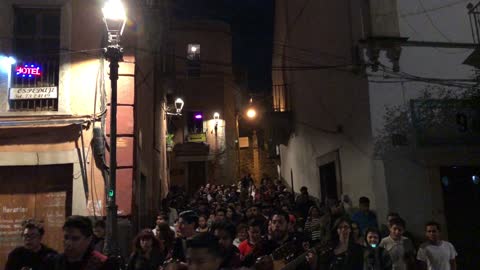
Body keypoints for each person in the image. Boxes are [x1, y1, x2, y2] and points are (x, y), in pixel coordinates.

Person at [48, 215, 115, 270]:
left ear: (88, 239)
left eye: (75, 239)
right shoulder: (54, 262)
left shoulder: (101, 264)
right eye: (66, 237)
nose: (68, 243)